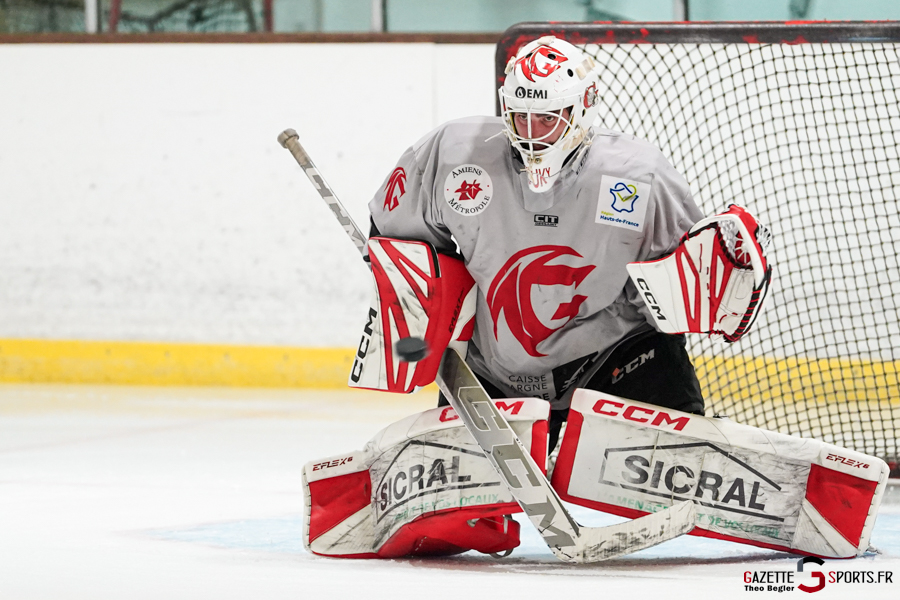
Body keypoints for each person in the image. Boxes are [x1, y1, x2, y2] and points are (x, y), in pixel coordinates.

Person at [366, 36, 706, 452]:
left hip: (612, 359)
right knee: (455, 513)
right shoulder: (453, 154)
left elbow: (681, 276)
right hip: (491, 369)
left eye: (546, 118)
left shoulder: (637, 177)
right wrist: (426, 304)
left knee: (685, 468)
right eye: (520, 116)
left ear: (580, 109)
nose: (531, 133)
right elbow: (395, 236)